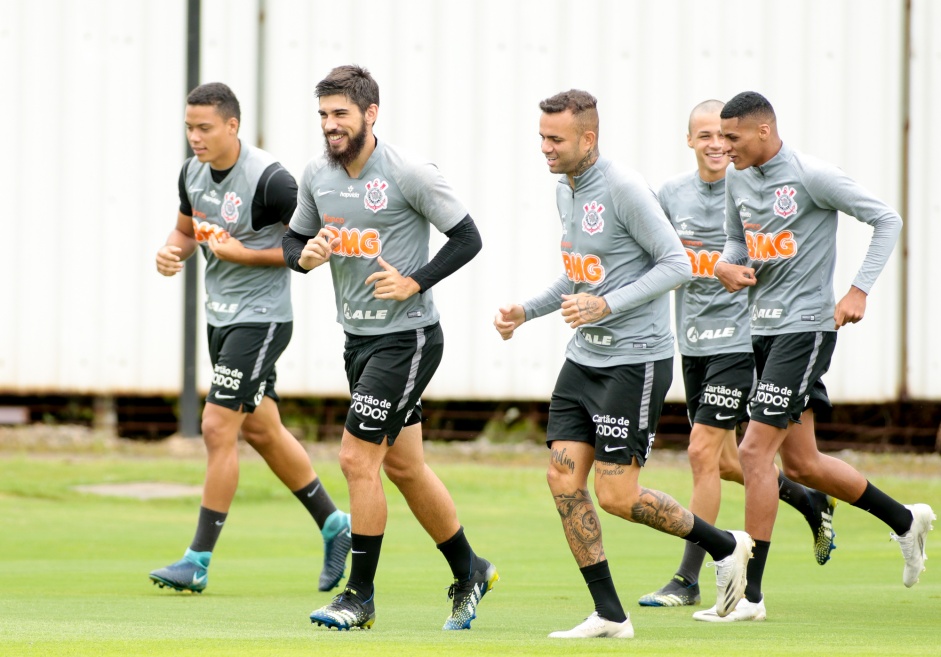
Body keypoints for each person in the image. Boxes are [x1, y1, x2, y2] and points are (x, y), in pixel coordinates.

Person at [493, 89, 753, 640]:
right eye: (541, 137)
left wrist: (605, 305)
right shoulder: (566, 191)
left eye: (555, 139)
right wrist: (528, 311)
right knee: (562, 480)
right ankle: (609, 614)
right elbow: (584, 273)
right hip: (582, 358)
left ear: (587, 138)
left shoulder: (624, 187)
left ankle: (725, 545)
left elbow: (677, 264)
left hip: (634, 362)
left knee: (615, 496)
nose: (544, 148)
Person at [708, 90, 935, 622]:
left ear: (763, 131)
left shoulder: (812, 176)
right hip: (761, 332)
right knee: (803, 463)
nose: (724, 148)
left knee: (753, 451)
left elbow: (887, 220)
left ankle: (751, 597)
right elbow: (735, 244)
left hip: (805, 331)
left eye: (732, 137)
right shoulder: (738, 178)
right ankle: (904, 519)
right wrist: (726, 265)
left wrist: (858, 290)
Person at [282, 65, 495, 632]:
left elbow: (469, 236)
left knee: (356, 459)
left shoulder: (407, 172)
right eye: (323, 115)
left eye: (340, 115)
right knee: (404, 467)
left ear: (370, 115)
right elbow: (293, 240)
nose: (330, 126)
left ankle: (359, 597)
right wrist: (305, 255)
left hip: (409, 338)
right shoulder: (315, 176)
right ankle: (470, 568)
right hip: (358, 340)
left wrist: (414, 281)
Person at [151, 82, 351, 595]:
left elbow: (309, 246)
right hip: (220, 317)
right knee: (261, 430)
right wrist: (172, 252)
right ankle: (334, 525)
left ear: (232, 125)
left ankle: (196, 560)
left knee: (218, 426)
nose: (194, 137)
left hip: (261, 319)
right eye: (189, 128)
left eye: (204, 128)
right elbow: (185, 229)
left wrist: (245, 255)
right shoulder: (191, 172)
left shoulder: (270, 180)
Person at [638, 100, 838, 611]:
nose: (715, 145)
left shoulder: (753, 187)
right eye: (703, 135)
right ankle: (804, 496)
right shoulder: (670, 195)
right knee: (731, 463)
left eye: (721, 136)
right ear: (690, 141)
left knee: (703, 454)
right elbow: (653, 259)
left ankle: (689, 578)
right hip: (694, 341)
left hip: (739, 341)